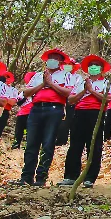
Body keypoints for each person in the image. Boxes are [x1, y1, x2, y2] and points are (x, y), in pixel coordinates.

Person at [20, 49, 77, 186]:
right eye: (50, 57)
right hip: (35, 109)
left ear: (61, 61)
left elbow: (68, 93)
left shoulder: (66, 75)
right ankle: (26, 176)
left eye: (55, 58)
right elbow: (26, 92)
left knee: (48, 143)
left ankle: (41, 176)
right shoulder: (38, 76)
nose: (52, 60)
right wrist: (42, 84)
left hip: (54, 110)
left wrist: (51, 84)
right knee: (31, 143)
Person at [61, 55, 111, 188]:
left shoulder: (106, 82)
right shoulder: (80, 82)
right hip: (79, 113)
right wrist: (85, 90)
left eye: (96, 65)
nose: (93, 67)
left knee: (94, 145)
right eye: (91, 65)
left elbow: (108, 99)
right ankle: (71, 176)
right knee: (75, 145)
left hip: (96, 114)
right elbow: (71, 100)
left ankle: (90, 177)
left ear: (101, 69)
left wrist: (92, 91)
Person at [12, 71, 35, 149]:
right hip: (22, 113)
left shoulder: (39, 91)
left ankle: (27, 145)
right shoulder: (24, 92)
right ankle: (16, 144)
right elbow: (18, 103)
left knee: (30, 130)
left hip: (33, 113)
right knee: (19, 130)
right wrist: (26, 96)